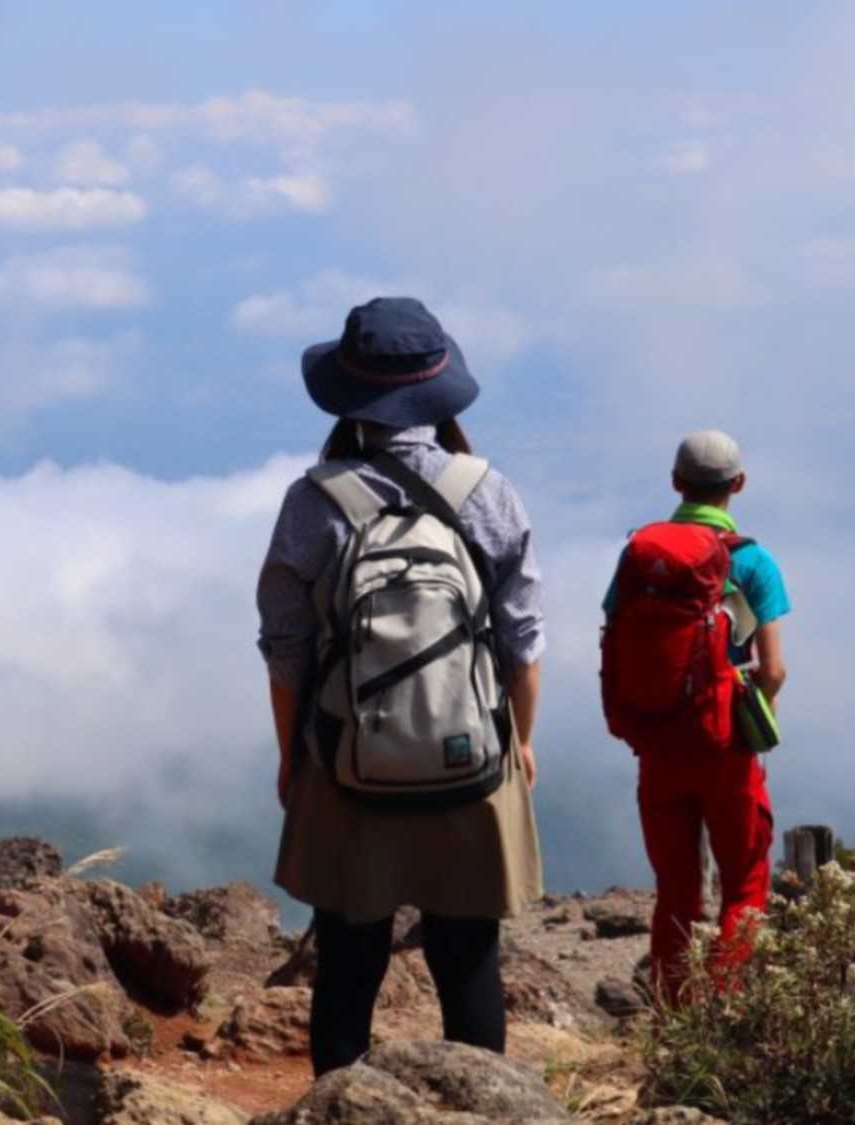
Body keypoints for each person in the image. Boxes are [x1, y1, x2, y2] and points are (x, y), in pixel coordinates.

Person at [255, 296, 545, 1076]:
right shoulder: (489, 491)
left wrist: (294, 757)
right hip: (474, 759)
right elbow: (522, 641)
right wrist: (520, 742)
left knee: (349, 965)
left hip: (345, 758)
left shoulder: (314, 501)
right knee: (468, 956)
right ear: (439, 389)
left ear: (349, 395)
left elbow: (284, 649)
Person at [606, 430, 789, 1002]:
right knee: (745, 884)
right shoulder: (752, 560)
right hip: (726, 749)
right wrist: (757, 717)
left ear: (675, 483)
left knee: (677, 892)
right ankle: (728, 1016)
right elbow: (774, 669)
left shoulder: (640, 557)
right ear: (738, 484)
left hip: (657, 744)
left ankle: (673, 1019)